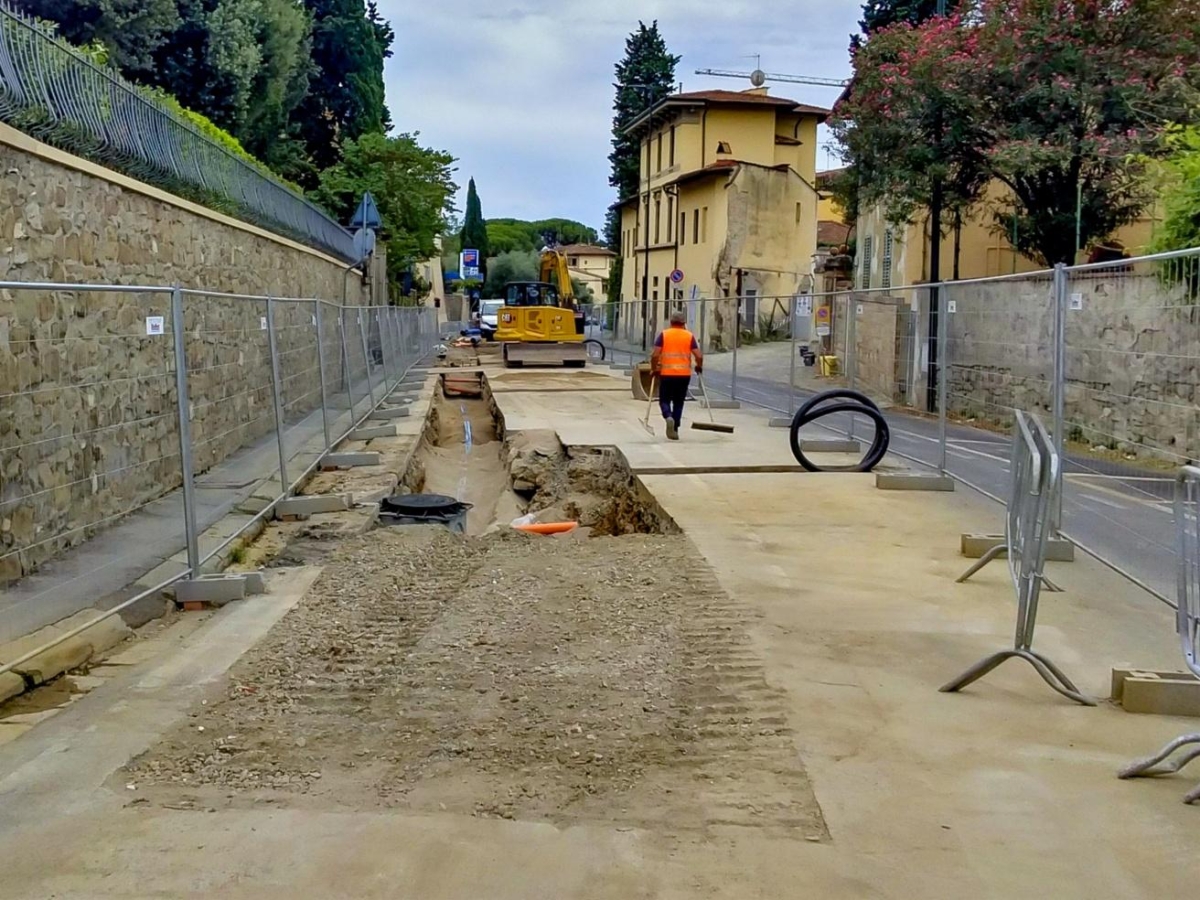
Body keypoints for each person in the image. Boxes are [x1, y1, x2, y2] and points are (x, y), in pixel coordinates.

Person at [650, 309, 704, 440]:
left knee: (664, 399)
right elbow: (699, 355)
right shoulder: (689, 336)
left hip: (667, 374)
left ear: (671, 322)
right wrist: (698, 366)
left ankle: (668, 416)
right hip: (684, 375)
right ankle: (675, 428)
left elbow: (655, 354)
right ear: (684, 323)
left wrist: (654, 368)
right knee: (679, 402)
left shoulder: (664, 335)